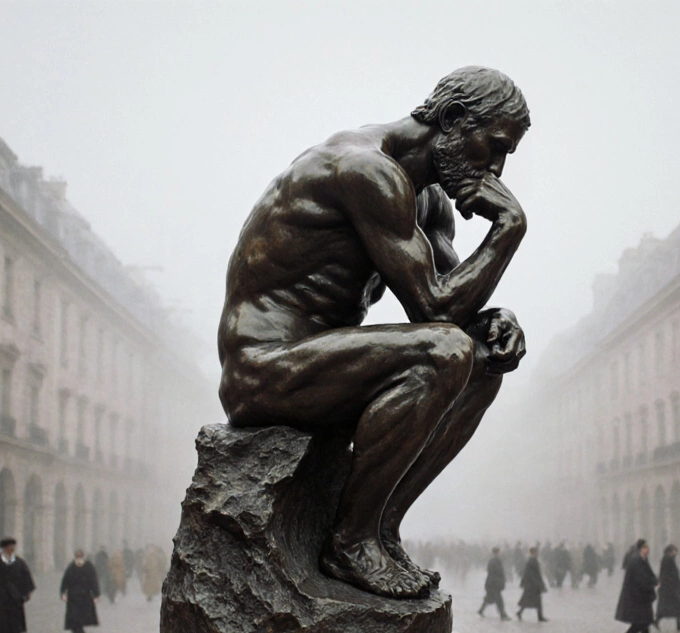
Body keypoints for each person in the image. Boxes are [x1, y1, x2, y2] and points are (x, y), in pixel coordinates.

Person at [217, 67, 530, 599]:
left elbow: (451, 304)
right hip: (264, 367)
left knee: (482, 359)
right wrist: (509, 229)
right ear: (453, 120)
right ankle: (349, 542)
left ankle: (379, 529)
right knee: (445, 352)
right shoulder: (365, 169)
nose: (496, 169)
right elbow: (434, 308)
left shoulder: (428, 199)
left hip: (325, 363)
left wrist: (495, 322)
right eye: (494, 147)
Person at [615, 539, 659, 633]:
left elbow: (649, 573)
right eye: (645, 547)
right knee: (643, 620)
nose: (647, 549)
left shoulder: (643, 559)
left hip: (643, 595)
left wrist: (656, 580)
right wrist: (651, 584)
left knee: (645, 620)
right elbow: (640, 579)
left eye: (648, 547)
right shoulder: (635, 560)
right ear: (640, 548)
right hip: (636, 596)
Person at [60, 549, 100, 633]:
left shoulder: (89, 567)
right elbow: (65, 581)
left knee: (80, 621)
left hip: (84, 598)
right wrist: (63, 592)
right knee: (73, 622)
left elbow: (93, 580)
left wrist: (96, 594)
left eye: (80, 556)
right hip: (73, 598)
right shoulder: (71, 567)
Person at [654, 544, 680, 631]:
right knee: (667, 607)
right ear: (671, 551)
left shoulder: (668, 558)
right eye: (674, 550)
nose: (676, 552)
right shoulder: (667, 559)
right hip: (669, 588)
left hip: (670, 587)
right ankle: (657, 621)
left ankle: (678, 625)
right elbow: (668, 573)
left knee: (675, 606)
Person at [516, 546, 547, 621]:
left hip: (530, 585)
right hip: (533, 585)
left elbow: (527, 573)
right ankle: (539, 616)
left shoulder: (530, 560)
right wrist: (540, 584)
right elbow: (536, 574)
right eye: (536, 552)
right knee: (535, 601)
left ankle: (520, 612)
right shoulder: (533, 561)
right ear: (533, 552)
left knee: (529, 601)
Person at [478, 547, 509, 619]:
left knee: (489, 598)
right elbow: (499, 572)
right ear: (497, 552)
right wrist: (501, 580)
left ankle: (481, 610)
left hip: (491, 582)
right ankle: (502, 614)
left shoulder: (492, 560)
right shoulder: (496, 560)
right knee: (499, 599)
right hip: (495, 583)